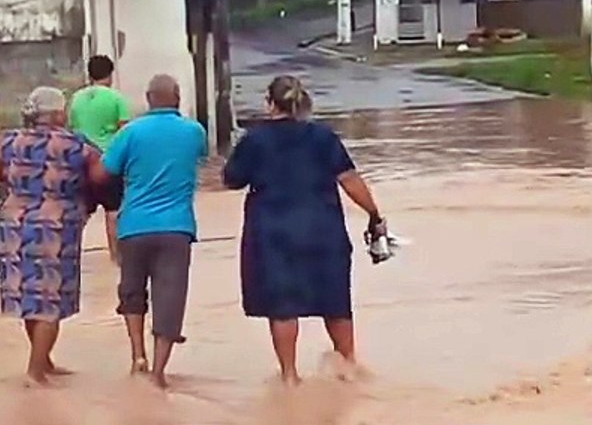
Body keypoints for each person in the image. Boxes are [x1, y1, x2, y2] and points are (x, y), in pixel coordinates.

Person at [222, 75, 385, 385]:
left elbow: (231, 180)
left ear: (269, 104)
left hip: (272, 233)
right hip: (323, 230)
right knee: (335, 301)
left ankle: (289, 377)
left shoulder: (255, 140)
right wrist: (374, 214)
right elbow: (349, 180)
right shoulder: (323, 137)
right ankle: (348, 368)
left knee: (282, 306)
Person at [0, 86, 106, 386]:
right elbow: (101, 178)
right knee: (50, 301)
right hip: (58, 227)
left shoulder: (7, 142)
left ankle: (42, 360)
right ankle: (35, 372)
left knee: (29, 297)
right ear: (59, 113)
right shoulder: (77, 145)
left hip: (15, 227)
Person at [94, 74, 207, 389]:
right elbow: (201, 158)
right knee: (169, 297)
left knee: (131, 291)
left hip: (133, 226)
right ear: (178, 96)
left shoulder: (130, 133)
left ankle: (137, 357)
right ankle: (159, 372)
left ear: (147, 98)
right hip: (177, 227)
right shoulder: (194, 132)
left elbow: (103, 173)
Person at [69, 55, 132, 264]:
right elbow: (124, 133)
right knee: (113, 212)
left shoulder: (76, 99)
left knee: (81, 214)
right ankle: (116, 257)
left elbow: (71, 130)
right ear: (110, 75)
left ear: (90, 74)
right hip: (108, 163)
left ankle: (71, 253)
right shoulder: (116, 99)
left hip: (82, 162)